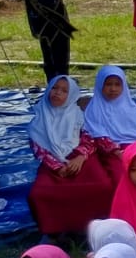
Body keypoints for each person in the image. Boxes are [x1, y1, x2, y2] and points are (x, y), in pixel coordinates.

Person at [24, 75, 118, 236]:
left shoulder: (79, 115)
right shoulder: (38, 120)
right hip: (54, 164)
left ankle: (98, 228)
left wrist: (80, 157)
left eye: (64, 91)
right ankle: (55, 232)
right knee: (38, 194)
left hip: (83, 159)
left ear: (72, 95)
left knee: (104, 187)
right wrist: (58, 167)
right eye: (54, 88)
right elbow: (40, 150)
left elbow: (90, 138)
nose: (57, 93)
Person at [83, 65, 136, 153]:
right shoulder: (94, 109)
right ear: (100, 85)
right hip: (109, 150)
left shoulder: (130, 108)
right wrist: (115, 151)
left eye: (117, 84)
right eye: (108, 84)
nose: (113, 89)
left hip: (134, 146)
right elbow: (96, 134)